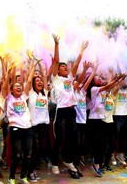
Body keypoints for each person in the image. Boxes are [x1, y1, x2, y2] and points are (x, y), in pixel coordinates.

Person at [50, 34, 88, 179]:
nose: (65, 68)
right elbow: (56, 61)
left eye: (66, 67)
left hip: (72, 111)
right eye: (63, 67)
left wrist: (82, 51)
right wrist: (56, 44)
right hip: (61, 111)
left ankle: (68, 161)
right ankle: (54, 162)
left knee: (73, 139)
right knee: (59, 138)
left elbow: (77, 65)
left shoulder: (69, 79)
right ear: (58, 71)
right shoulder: (56, 79)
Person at [87, 70, 123, 177]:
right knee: (97, 144)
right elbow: (107, 86)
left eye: (101, 78)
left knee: (102, 144)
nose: (100, 79)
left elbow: (110, 86)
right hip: (93, 120)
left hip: (101, 120)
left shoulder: (104, 92)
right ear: (93, 81)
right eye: (97, 78)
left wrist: (117, 79)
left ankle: (98, 163)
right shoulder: (94, 89)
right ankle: (96, 164)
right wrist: (116, 79)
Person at [25, 59, 49, 182]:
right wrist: (33, 65)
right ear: (33, 84)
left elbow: (45, 76)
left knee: (40, 151)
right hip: (33, 127)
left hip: (44, 126)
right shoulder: (31, 94)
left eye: (40, 81)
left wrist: (40, 63)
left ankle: (33, 171)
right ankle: (30, 172)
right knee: (34, 150)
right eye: (37, 81)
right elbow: (29, 79)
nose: (39, 81)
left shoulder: (45, 93)